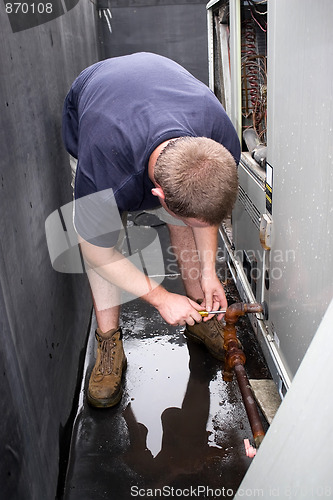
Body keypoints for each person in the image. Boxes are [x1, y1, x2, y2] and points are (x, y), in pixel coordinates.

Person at [62, 52, 240, 408]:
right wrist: (161, 298)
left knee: (193, 215)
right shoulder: (105, 165)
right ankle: (109, 341)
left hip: (161, 94)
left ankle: (198, 313)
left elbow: (205, 212)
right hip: (97, 99)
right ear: (157, 198)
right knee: (104, 240)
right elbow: (94, 250)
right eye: (174, 211)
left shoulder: (220, 138)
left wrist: (209, 274)